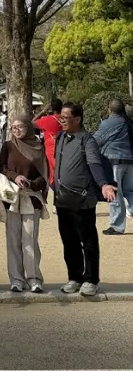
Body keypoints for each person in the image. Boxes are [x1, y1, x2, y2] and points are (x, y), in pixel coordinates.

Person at [54, 103, 117, 296]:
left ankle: (91, 279)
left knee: (87, 241)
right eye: (61, 117)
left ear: (78, 119)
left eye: (66, 118)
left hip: (82, 199)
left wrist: (103, 184)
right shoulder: (61, 137)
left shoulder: (87, 140)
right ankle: (74, 277)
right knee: (69, 241)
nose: (61, 121)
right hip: (63, 199)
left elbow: (94, 163)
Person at [0, 115, 48, 293]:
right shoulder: (8, 146)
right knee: (13, 240)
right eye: (13, 128)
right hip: (12, 197)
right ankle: (16, 279)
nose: (17, 130)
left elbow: (44, 175)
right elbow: (2, 168)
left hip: (31, 197)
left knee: (30, 240)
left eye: (20, 127)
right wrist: (15, 177)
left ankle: (34, 278)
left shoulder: (38, 147)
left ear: (28, 127)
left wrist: (31, 183)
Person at [93, 99, 133, 236]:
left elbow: (97, 140)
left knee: (115, 192)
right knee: (130, 191)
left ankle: (117, 226)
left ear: (109, 109)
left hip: (114, 161)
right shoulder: (128, 122)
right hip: (130, 160)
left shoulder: (108, 122)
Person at [33, 99, 63, 188]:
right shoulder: (66, 118)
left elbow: (30, 123)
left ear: (50, 108)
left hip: (51, 150)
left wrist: (42, 112)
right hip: (65, 148)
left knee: (54, 175)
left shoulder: (48, 120)